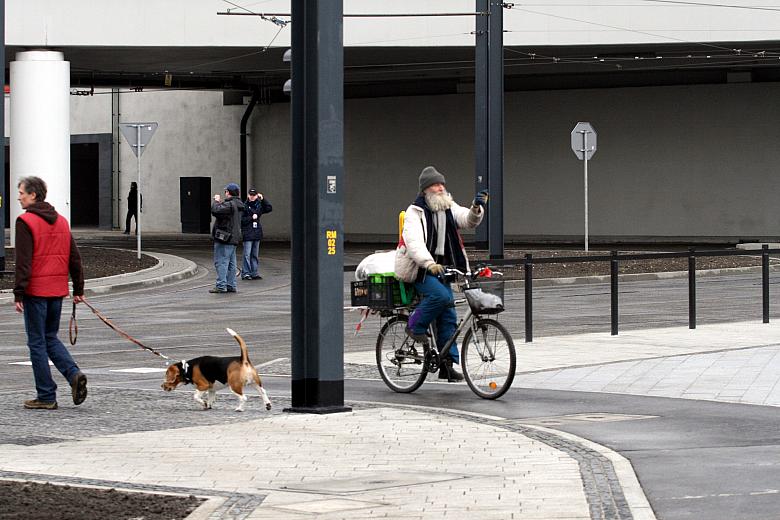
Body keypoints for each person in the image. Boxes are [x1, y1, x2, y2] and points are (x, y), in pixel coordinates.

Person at [394, 166, 488, 381]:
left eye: (442, 184)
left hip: (443, 268)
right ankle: (414, 326)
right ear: (426, 189)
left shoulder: (447, 207)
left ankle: (446, 364)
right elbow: (414, 242)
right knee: (442, 297)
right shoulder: (414, 212)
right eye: (437, 184)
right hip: (419, 268)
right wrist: (428, 263)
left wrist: (476, 208)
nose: (441, 187)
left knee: (448, 315)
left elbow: (467, 220)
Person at [14, 176, 88, 410]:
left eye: (22, 193)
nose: (19, 197)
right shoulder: (62, 221)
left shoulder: (25, 221)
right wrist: (78, 289)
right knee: (50, 337)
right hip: (57, 291)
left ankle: (46, 395)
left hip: (36, 291)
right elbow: (74, 257)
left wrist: (18, 293)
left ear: (33, 195)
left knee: (37, 342)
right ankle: (73, 374)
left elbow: (23, 262)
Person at [210, 182, 245, 293]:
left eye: (226, 191)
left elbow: (216, 210)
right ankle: (231, 285)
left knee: (221, 262)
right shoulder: (238, 204)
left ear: (228, 192)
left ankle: (221, 285)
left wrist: (216, 201)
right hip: (234, 237)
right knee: (231, 263)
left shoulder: (230, 204)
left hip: (225, 238)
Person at [240, 188, 273, 280]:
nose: (252, 197)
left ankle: (254, 272)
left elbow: (269, 208)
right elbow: (242, 221)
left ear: (256, 195)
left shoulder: (259, 205)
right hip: (247, 233)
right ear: (248, 195)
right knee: (247, 254)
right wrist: (252, 217)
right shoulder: (244, 206)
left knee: (254, 254)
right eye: (250, 195)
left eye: (254, 195)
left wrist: (263, 199)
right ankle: (246, 273)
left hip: (256, 232)